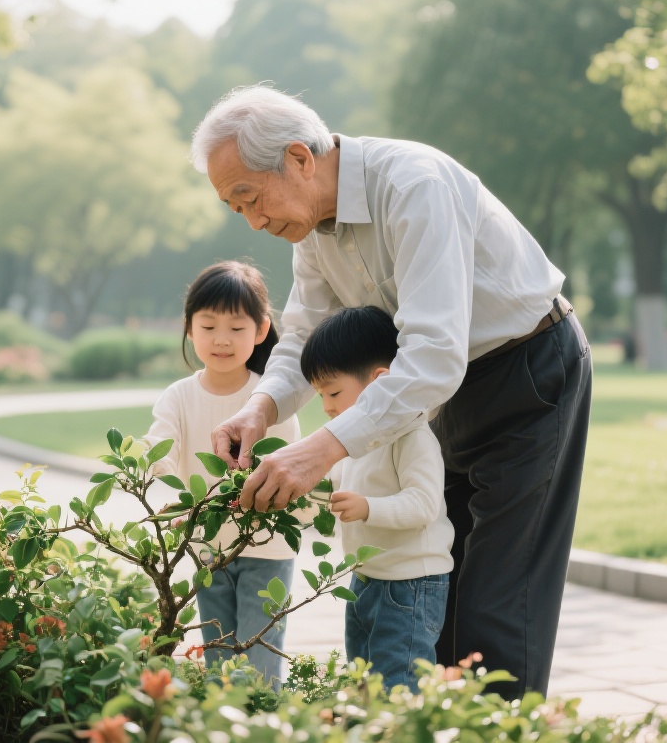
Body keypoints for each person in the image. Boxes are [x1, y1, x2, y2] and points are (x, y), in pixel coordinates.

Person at [190, 84, 592, 699]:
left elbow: (432, 352)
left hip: (528, 374)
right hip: (430, 396)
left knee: (500, 600)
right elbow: (302, 337)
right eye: (234, 208)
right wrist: (260, 408)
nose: (253, 221)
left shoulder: (412, 185)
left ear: (299, 158)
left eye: (250, 197)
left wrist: (321, 449)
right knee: (436, 584)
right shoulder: (312, 231)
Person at [141, 260, 301, 688]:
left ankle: (263, 728)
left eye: (236, 328)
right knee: (219, 662)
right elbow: (160, 451)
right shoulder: (179, 396)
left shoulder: (270, 398)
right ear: (189, 328)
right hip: (207, 546)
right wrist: (170, 493)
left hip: (266, 544)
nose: (221, 340)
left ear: (261, 330)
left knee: (259, 661)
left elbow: (282, 463)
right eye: (208, 326)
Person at [300, 305, 453, 692]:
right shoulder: (356, 439)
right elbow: (332, 488)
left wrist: (368, 508)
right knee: (363, 682)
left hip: (410, 584)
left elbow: (423, 505)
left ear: (381, 383)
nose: (328, 407)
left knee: (399, 684)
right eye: (321, 396)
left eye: (333, 392)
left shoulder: (411, 436)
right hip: (366, 578)